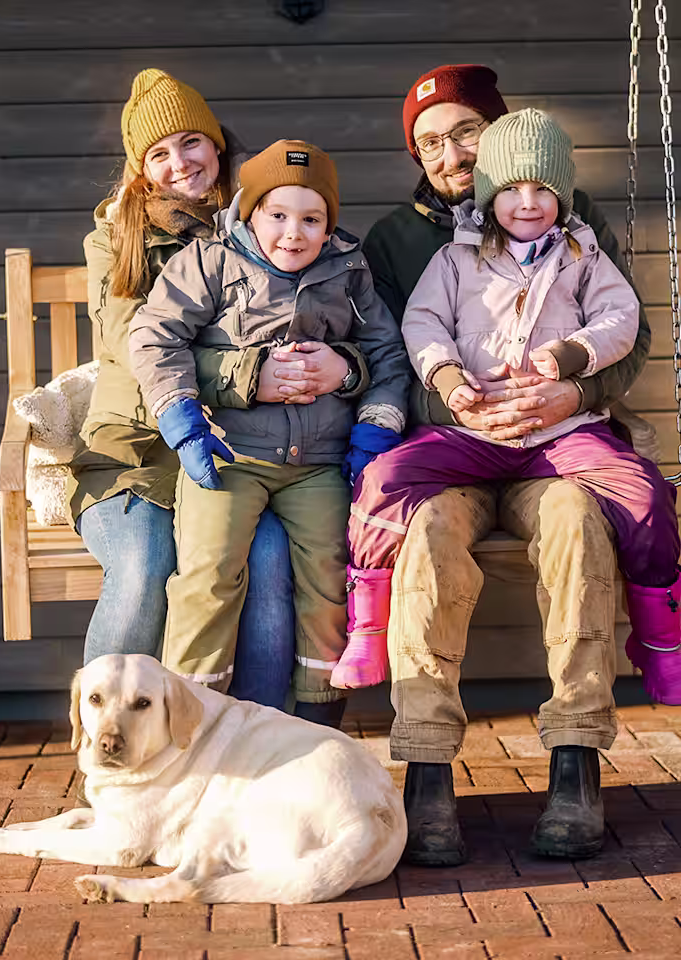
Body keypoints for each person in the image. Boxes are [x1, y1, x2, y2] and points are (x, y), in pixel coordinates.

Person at [361, 65, 654, 865]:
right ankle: (425, 772)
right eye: (429, 143)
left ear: (498, 138)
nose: (449, 153)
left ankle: (575, 762)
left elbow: (628, 334)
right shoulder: (397, 239)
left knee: (577, 526)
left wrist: (572, 392)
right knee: (423, 542)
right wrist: (455, 401)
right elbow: (393, 351)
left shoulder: (572, 215)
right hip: (454, 450)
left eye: (463, 133)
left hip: (554, 447)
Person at [349, 106, 680, 706]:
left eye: (543, 189)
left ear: (563, 193)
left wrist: (575, 358)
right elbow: (422, 324)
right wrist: (449, 380)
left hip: (562, 434)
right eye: (511, 190)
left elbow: (622, 318)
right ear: (486, 196)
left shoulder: (582, 252)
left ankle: (661, 640)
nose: (527, 203)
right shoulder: (454, 258)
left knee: (644, 492)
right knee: (382, 480)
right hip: (468, 436)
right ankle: (368, 622)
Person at [68, 71, 368, 719]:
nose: (181, 163)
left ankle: (257, 743)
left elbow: (332, 323)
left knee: (267, 565)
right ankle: (109, 745)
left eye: (191, 142)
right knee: (146, 567)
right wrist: (247, 375)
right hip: (140, 459)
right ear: (141, 169)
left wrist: (337, 367)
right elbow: (135, 346)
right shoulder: (116, 242)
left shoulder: (265, 224)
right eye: (159, 153)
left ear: (217, 145)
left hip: (236, 458)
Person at [128, 139, 411, 713]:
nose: (293, 233)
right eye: (277, 215)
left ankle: (317, 712)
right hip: (230, 454)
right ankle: (192, 712)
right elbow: (155, 336)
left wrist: (374, 426)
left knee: (331, 576)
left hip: (320, 463)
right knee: (208, 575)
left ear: (329, 225)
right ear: (249, 213)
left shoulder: (348, 272)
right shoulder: (210, 262)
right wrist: (180, 416)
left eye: (311, 219)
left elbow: (387, 354)